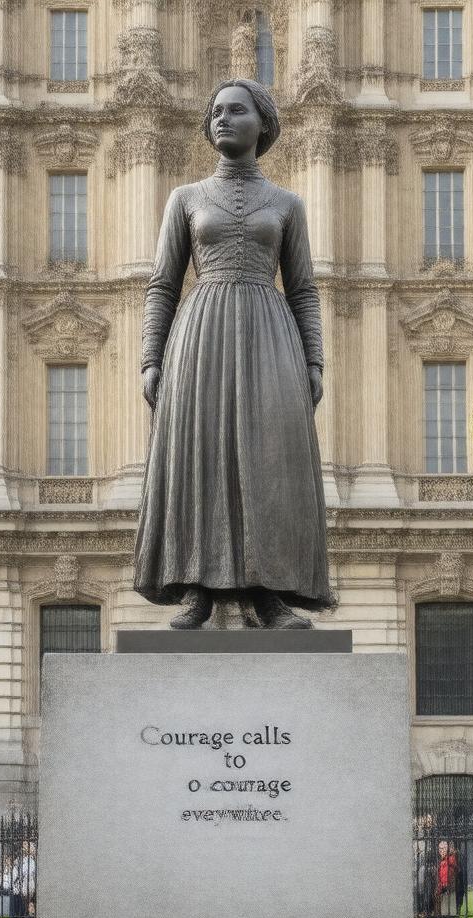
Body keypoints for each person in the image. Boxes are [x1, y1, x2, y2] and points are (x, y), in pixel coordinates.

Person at [134, 78, 335, 629]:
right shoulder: (186, 199)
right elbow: (162, 285)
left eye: (236, 110)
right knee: (201, 454)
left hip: (272, 334)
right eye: (216, 111)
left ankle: (270, 594)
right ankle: (200, 587)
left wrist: (314, 362)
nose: (223, 118)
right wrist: (151, 358)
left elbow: (303, 290)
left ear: (262, 124)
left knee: (270, 460)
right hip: (201, 333)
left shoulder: (287, 204)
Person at [430, 840, 466, 918]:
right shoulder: (441, 862)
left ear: (448, 849)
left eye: (444, 848)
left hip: (449, 894)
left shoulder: (452, 860)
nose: (442, 851)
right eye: (440, 849)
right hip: (441, 895)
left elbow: (453, 877)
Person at [8, 840, 36, 918]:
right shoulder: (18, 862)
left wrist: (32, 899)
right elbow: (12, 880)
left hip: (31, 896)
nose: (27, 847)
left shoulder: (34, 862)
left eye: (28, 845)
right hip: (19, 896)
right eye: (25, 845)